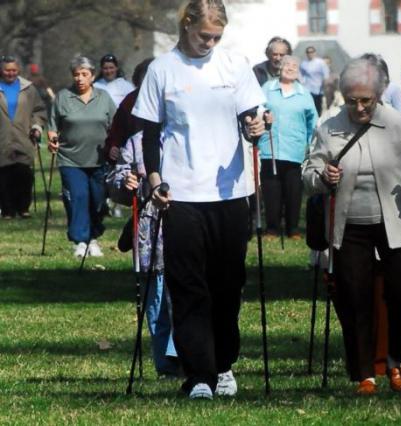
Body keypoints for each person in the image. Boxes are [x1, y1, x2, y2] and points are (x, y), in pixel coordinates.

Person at [132, 0, 268, 400]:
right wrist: (154, 180)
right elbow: (151, 133)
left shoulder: (234, 64)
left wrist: (256, 126)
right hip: (182, 193)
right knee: (188, 285)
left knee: (227, 284)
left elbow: (252, 119)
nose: (209, 42)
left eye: (216, 36)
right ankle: (198, 375)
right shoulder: (162, 69)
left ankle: (223, 365)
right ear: (186, 26)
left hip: (230, 192)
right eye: (203, 35)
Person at [302, 58, 401, 395]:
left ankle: (395, 361)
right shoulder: (329, 127)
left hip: (399, 222)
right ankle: (365, 373)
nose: (359, 107)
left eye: (366, 100)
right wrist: (322, 176)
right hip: (350, 225)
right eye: (352, 100)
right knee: (354, 297)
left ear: (379, 95)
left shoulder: (399, 124)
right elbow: (308, 173)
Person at [105, 130, 180, 378]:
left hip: (186, 226)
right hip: (150, 237)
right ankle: (167, 365)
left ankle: (186, 356)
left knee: (185, 296)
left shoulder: (189, 134)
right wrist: (125, 182)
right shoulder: (136, 141)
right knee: (156, 302)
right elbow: (115, 181)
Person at [47, 56, 115, 257]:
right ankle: (80, 241)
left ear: (93, 76)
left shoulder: (103, 97)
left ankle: (93, 237)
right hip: (70, 159)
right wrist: (52, 140)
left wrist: (116, 147)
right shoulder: (63, 97)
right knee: (77, 198)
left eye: (84, 74)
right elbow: (52, 126)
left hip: (99, 159)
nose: (80, 78)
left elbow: (116, 125)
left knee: (97, 200)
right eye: (76, 74)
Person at [259, 55, 318, 239]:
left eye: (294, 65)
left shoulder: (304, 93)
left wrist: (311, 145)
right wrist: (263, 116)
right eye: (286, 65)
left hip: (295, 150)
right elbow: (257, 109)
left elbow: (313, 121)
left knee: (294, 192)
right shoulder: (267, 88)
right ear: (279, 68)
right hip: (270, 149)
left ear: (298, 70)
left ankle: (293, 229)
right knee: (271, 191)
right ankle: (272, 229)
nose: (290, 68)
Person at [0, 55, 47, 219]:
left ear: (18, 70)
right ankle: (7, 210)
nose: (10, 73)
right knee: (4, 175)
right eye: (7, 70)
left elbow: (39, 110)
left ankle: (23, 208)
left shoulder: (28, 89)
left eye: (13, 70)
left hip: (23, 137)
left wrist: (36, 126)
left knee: (23, 174)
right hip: (2, 138)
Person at [104, 57, 155, 164]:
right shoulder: (129, 101)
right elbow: (117, 129)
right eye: (144, 78)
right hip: (132, 158)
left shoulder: (169, 101)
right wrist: (113, 146)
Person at [300, 45, 329, 115]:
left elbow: (326, 75)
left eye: (312, 52)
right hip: (308, 89)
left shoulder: (321, 62)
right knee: (308, 107)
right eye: (308, 52)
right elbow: (301, 76)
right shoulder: (304, 63)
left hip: (318, 90)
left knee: (318, 108)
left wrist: (324, 88)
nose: (310, 54)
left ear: (315, 53)